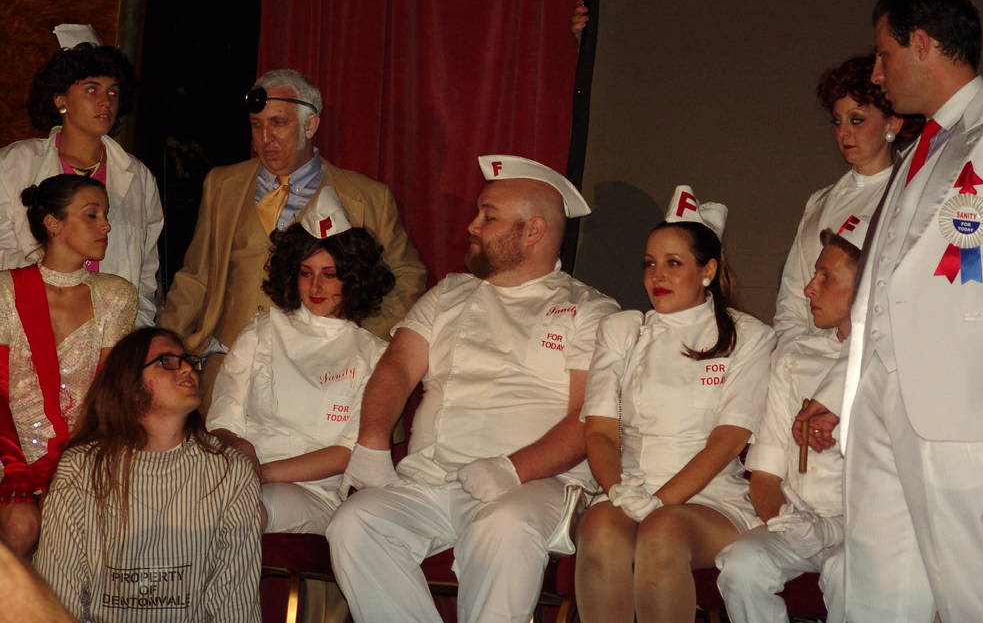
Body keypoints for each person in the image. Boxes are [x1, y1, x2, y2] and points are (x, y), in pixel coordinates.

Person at [800, 0, 983, 621]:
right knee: (877, 590)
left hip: (963, 406)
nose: (877, 73)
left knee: (975, 589)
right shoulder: (919, 151)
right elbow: (890, 287)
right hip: (880, 401)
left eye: (884, 54)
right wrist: (844, 384)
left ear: (922, 43)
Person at [326, 155, 619, 623]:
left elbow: (588, 417)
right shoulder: (449, 294)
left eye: (489, 216)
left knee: (504, 525)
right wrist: (372, 440)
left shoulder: (591, 310)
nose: (472, 226)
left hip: (534, 484)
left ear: (533, 231)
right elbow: (397, 367)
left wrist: (513, 469)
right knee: (354, 523)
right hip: (431, 478)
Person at [159, 68, 426, 406]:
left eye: (278, 123)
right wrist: (161, 347)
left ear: (310, 125)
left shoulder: (368, 197)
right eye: (256, 125)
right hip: (227, 369)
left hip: (321, 377)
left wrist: (360, 341)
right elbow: (196, 276)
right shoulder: (223, 184)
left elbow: (408, 276)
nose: (265, 138)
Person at [575, 186, 774, 623]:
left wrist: (660, 502)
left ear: (708, 270)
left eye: (673, 263)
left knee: (662, 531)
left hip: (710, 498)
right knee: (600, 527)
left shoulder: (749, 336)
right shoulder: (622, 330)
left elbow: (727, 441)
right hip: (629, 487)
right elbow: (600, 431)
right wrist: (617, 490)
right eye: (649, 264)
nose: (657, 276)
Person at [33, 327, 262, 622]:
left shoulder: (231, 472)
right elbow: (58, 594)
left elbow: (235, 601)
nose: (187, 369)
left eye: (189, 360)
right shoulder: (81, 469)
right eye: (167, 362)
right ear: (130, 384)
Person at [206, 185, 394, 534]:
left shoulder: (374, 355)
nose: (315, 287)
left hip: (313, 492)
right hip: (235, 475)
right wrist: (241, 452)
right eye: (306, 273)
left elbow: (348, 451)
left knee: (242, 507)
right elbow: (223, 421)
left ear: (353, 279)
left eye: (329, 274)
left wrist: (261, 474)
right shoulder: (262, 330)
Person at [716, 217, 867, 623]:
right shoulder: (795, 356)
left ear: (867, 283)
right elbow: (765, 476)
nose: (809, 288)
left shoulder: (894, 363)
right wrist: (787, 521)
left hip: (869, 530)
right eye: (814, 274)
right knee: (740, 566)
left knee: (845, 573)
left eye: (826, 276)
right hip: (800, 522)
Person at [0, 174, 137, 558]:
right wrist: (14, 463)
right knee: (21, 522)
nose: (106, 226)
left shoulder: (115, 295)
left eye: (105, 215)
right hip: (8, 450)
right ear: (53, 223)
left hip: (83, 450)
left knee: (76, 514)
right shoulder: (5, 291)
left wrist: (76, 458)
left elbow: (108, 394)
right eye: (92, 215)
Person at [0, 43, 163, 327]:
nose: (105, 101)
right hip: (27, 326)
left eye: (113, 92)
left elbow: (146, 274)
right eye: (91, 90)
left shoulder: (138, 177)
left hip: (111, 333)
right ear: (61, 100)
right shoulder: (14, 163)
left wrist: (132, 335)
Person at [773, 55, 914, 351]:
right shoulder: (820, 201)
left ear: (893, 122)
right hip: (806, 359)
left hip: (867, 359)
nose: (844, 132)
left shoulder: (907, 197)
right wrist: (792, 354)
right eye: (837, 121)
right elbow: (792, 297)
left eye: (857, 119)